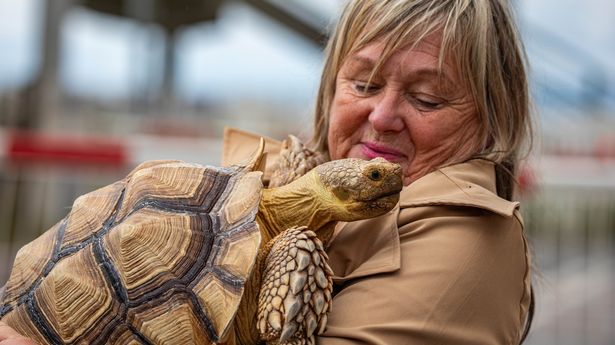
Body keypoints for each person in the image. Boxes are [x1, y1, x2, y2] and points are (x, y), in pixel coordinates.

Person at [1, 0, 533, 344]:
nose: (382, 117)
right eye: (364, 85)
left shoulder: (467, 240)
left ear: (493, 118)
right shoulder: (285, 183)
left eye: (428, 98)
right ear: (329, 88)